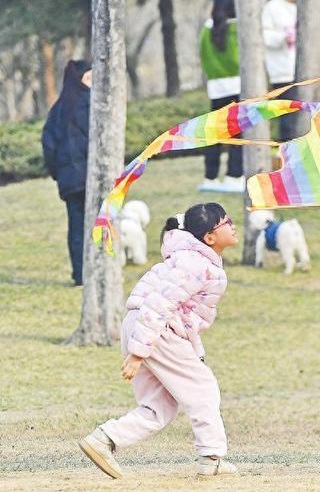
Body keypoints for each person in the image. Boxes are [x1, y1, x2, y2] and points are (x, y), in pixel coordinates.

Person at [78, 203, 239, 478]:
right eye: (227, 222)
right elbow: (159, 304)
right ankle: (212, 458)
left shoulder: (191, 258)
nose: (234, 225)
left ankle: (104, 439)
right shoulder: (195, 263)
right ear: (209, 237)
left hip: (146, 327)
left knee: (159, 406)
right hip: (155, 328)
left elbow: (177, 312)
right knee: (203, 389)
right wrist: (139, 352)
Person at [41, 60, 92, 286]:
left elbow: (48, 147)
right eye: (89, 78)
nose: (92, 83)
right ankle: (98, 270)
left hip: (69, 181)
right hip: (91, 178)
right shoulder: (92, 104)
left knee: (76, 227)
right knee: (99, 224)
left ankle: (80, 274)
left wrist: (58, 173)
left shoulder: (57, 110)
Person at [198, 0, 244, 193]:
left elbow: (203, 58)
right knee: (238, 134)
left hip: (216, 88)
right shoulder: (237, 28)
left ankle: (210, 177)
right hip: (237, 86)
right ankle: (234, 175)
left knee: (214, 134)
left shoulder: (207, 29)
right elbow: (237, 59)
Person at [262, 0, 297, 141]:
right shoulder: (272, 7)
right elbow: (265, 36)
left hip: (300, 71)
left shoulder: (300, 7)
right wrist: (283, 37)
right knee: (286, 117)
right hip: (281, 71)